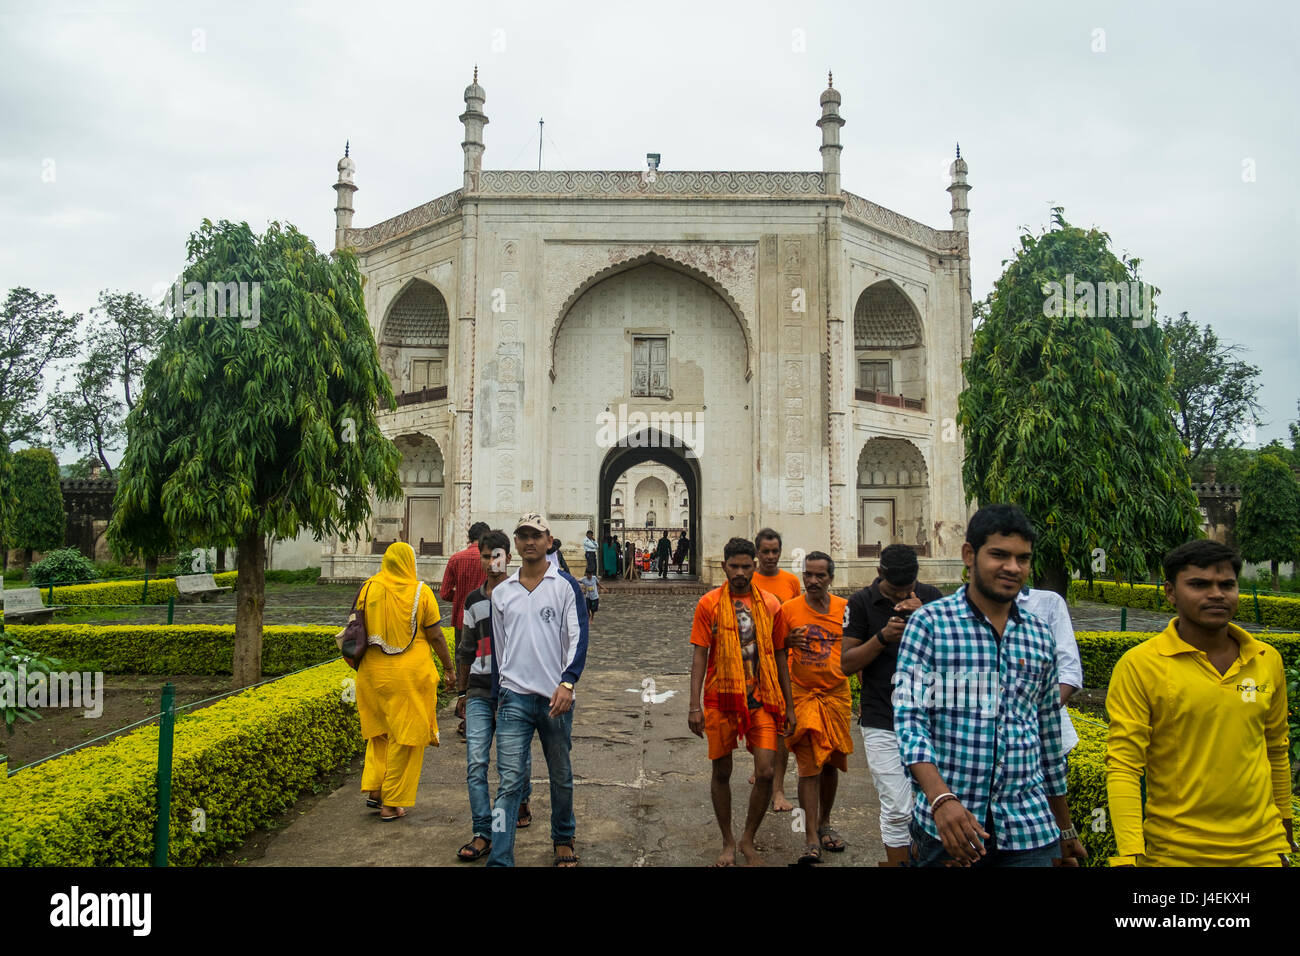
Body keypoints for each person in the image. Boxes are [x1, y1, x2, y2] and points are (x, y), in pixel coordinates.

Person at [894, 504, 1085, 867]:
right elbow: (909, 720)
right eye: (999, 554)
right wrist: (940, 800)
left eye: (1022, 558)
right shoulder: (931, 625)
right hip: (950, 827)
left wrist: (1066, 829)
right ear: (969, 554)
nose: (1012, 568)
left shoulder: (1037, 634)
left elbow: (1048, 735)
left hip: (1028, 828)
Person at [1106, 540, 1295, 867]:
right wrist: (1128, 854)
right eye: (1199, 584)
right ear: (1170, 592)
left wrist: (1286, 830)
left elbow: (1275, 748)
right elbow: (1124, 766)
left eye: (1227, 585)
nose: (1217, 594)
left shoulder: (1266, 659)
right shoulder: (1139, 665)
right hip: (1177, 855)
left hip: (1262, 852)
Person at [488, 513, 589, 867]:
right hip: (514, 697)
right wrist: (497, 693)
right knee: (508, 784)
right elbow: (500, 649)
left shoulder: (564, 586)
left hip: (555, 698)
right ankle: (500, 856)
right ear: (515, 543)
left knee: (560, 775)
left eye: (537, 535)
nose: (530, 541)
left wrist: (568, 681)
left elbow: (579, 638)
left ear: (549, 541)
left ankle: (563, 836)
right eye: (523, 535)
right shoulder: (502, 592)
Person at [688, 536, 795, 866]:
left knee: (765, 772)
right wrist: (695, 706)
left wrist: (789, 705)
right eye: (733, 566)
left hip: (761, 697)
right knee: (721, 771)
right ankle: (728, 841)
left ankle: (748, 837)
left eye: (746, 566)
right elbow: (699, 657)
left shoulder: (771, 605)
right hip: (721, 697)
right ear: (724, 567)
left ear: (755, 567)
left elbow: (779, 656)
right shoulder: (709, 604)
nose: (739, 572)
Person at [840, 543, 943, 865]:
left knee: (933, 802)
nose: (902, 596)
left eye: (907, 589)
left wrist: (925, 618)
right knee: (898, 807)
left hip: (932, 718)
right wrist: (883, 637)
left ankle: (918, 856)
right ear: (879, 574)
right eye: (896, 590)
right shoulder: (859, 603)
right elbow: (846, 664)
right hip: (882, 717)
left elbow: (954, 656)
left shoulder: (933, 598)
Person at [356, 541, 454, 821]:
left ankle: (376, 791)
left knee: (381, 733)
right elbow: (435, 635)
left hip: (372, 674)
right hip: (408, 677)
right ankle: (392, 803)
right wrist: (449, 668)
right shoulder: (421, 593)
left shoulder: (368, 588)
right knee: (406, 737)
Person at [454, 531, 532, 861]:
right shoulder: (473, 601)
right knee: (476, 764)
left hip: (513, 692)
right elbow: (466, 648)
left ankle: (520, 801)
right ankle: (483, 831)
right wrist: (461, 692)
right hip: (480, 691)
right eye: (486, 556)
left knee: (512, 767)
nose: (491, 561)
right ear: (481, 559)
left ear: (508, 558)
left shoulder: (522, 596)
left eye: (496, 555)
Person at [774, 551, 853, 864]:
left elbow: (855, 648)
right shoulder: (789, 609)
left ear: (830, 578)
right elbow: (776, 651)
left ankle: (824, 822)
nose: (813, 581)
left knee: (831, 763)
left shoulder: (845, 610)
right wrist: (788, 705)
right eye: (808, 574)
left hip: (836, 695)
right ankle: (810, 837)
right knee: (809, 765)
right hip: (803, 694)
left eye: (820, 575)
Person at [750, 528, 802, 811]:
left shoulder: (791, 581)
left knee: (783, 725)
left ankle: (778, 789)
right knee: (754, 721)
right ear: (757, 553)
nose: (770, 556)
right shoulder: (748, 577)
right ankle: (760, 766)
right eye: (765, 551)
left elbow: (794, 616)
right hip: (753, 663)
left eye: (775, 551)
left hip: (784, 661)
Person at [1016, 584, 1084, 762]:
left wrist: (1037, 718)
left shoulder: (1047, 603)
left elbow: (1069, 670)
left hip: (1045, 740)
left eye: (1022, 559)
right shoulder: (954, 615)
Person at [441, 521, 491, 738]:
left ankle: (467, 715)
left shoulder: (456, 559)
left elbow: (444, 593)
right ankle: (479, 715)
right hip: (485, 623)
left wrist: (461, 600)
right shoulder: (489, 560)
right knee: (483, 665)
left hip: (462, 621)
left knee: (464, 665)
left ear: (468, 537)